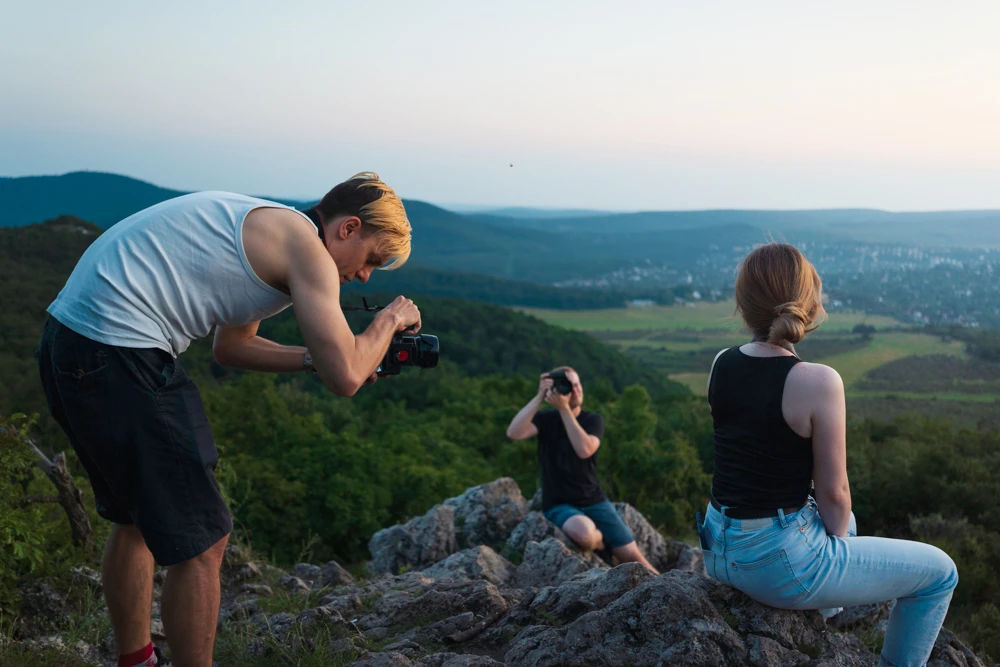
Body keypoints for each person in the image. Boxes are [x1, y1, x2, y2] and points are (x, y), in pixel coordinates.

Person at [37, 172, 421, 667]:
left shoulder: (275, 228)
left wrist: (314, 357)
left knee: (135, 520)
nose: (367, 275)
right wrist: (387, 322)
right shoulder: (308, 251)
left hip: (70, 342)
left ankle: (136, 660)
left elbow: (233, 347)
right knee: (204, 539)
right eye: (372, 259)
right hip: (120, 349)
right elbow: (345, 376)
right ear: (347, 228)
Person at [698, 242, 957, 667]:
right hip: (775, 563)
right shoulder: (817, 381)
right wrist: (834, 556)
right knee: (940, 574)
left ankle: (818, 616)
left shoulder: (720, 363)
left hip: (718, 548)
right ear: (807, 303)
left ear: (744, 305)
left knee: (847, 524)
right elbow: (834, 495)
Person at [506, 366, 659, 574]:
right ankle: (602, 545)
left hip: (594, 500)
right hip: (559, 502)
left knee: (634, 556)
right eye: (568, 386)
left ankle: (671, 589)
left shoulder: (592, 420)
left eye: (577, 385)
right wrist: (539, 396)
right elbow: (514, 433)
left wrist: (564, 409)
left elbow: (584, 449)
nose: (576, 390)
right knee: (585, 533)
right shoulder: (546, 420)